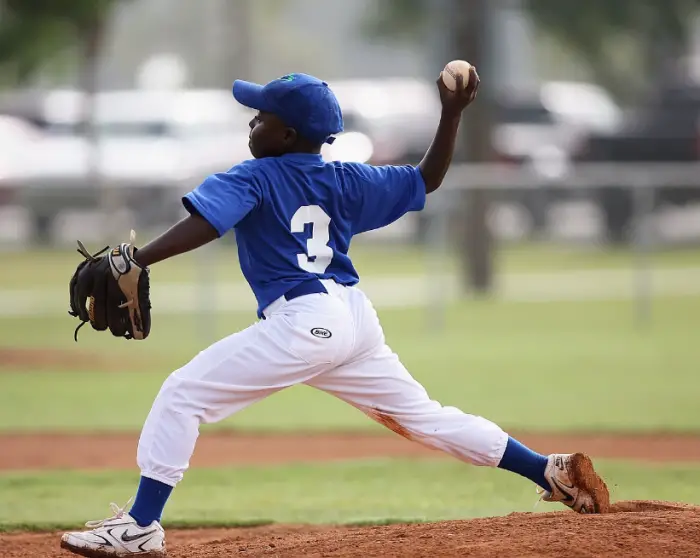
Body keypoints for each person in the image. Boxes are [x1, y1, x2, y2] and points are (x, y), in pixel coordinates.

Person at [60, 68, 608, 557]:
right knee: (423, 416)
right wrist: (451, 113)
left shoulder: (254, 176)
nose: (252, 123)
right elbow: (427, 178)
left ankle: (140, 526)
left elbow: (208, 223)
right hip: (353, 319)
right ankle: (549, 470)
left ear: (288, 135)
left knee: (183, 393)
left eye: (262, 117)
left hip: (304, 322)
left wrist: (138, 257)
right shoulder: (346, 177)